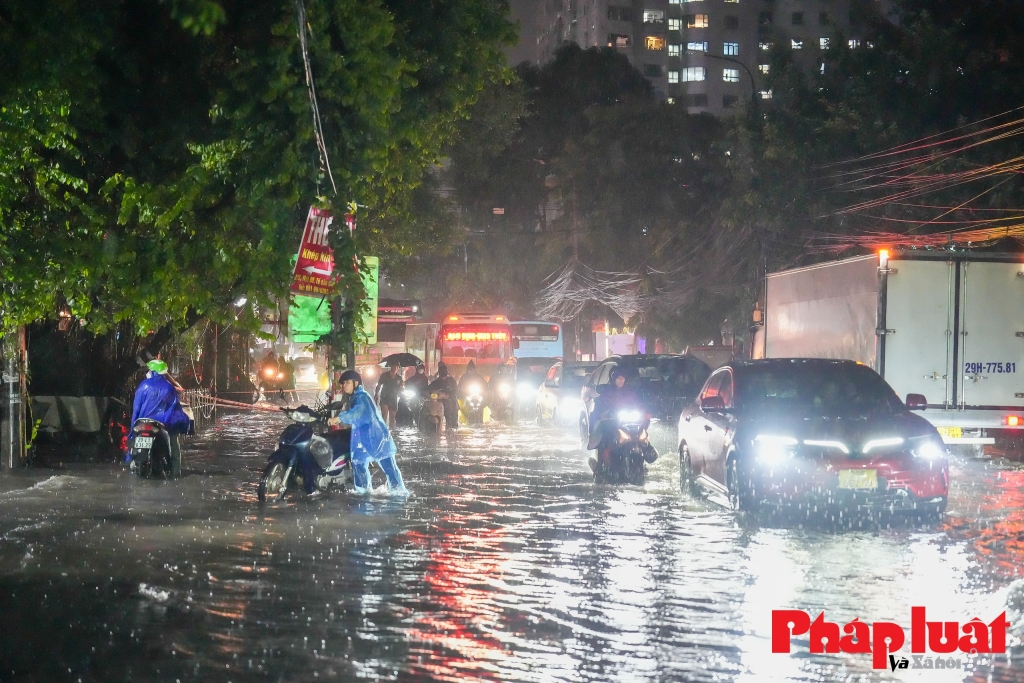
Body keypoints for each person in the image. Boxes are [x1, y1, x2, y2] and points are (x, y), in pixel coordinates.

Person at [328, 370, 408, 495]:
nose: (344, 386)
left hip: (377, 437)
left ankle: (399, 493)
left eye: (347, 382)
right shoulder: (353, 398)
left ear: (356, 383)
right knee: (358, 463)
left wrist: (339, 418)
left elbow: (358, 412)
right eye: (343, 383)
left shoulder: (362, 397)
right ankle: (363, 492)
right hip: (362, 439)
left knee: (389, 467)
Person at [130, 359, 192, 477]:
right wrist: (183, 422)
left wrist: (132, 427)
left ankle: (133, 463)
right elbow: (174, 409)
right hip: (161, 424)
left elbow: (136, 409)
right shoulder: (169, 388)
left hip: (141, 423)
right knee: (174, 442)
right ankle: (176, 472)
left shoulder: (143, 385)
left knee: (133, 441)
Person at [428, 362, 459, 432]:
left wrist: (448, 396)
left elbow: (456, 392)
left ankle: (451, 434)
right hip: (440, 405)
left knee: (453, 425)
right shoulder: (435, 383)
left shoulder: (451, 381)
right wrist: (437, 395)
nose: (443, 376)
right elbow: (429, 392)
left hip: (452, 404)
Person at [374, 363, 402, 428]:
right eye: (394, 366)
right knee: (384, 415)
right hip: (385, 397)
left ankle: (392, 432)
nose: (395, 368)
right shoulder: (384, 375)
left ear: (398, 368)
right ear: (391, 367)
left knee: (393, 417)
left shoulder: (399, 378)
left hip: (394, 398)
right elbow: (379, 385)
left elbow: (400, 390)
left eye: (397, 367)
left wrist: (402, 386)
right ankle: (383, 430)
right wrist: (376, 394)